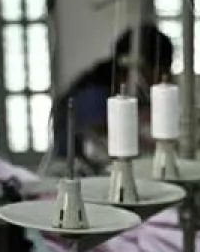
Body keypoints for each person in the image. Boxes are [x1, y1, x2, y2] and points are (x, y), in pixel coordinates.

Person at [51, 24, 175, 169]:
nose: (160, 80)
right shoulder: (93, 94)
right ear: (138, 66)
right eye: (160, 72)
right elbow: (100, 141)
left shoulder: (130, 92)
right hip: (76, 173)